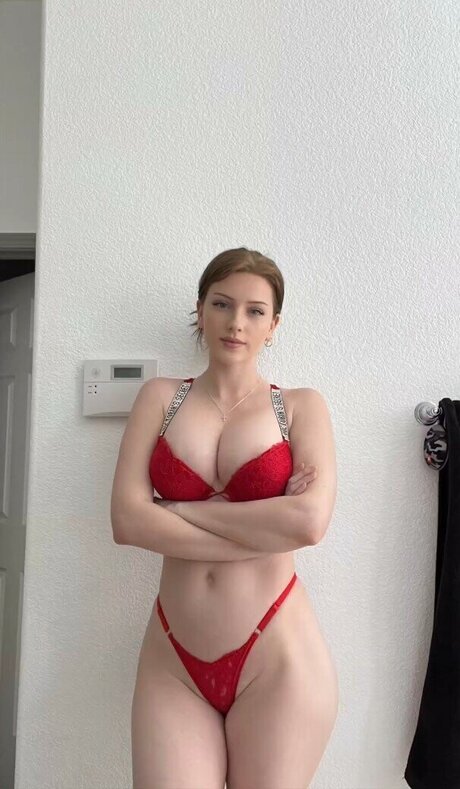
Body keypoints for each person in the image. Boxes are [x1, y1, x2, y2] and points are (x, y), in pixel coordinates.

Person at [111, 247, 339, 788]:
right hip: (174, 660)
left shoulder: (300, 407)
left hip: (277, 656)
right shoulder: (160, 398)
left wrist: (177, 510)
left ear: (273, 325)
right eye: (222, 304)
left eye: (255, 311)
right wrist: (266, 525)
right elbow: (127, 522)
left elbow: (309, 524)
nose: (236, 322)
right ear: (200, 310)